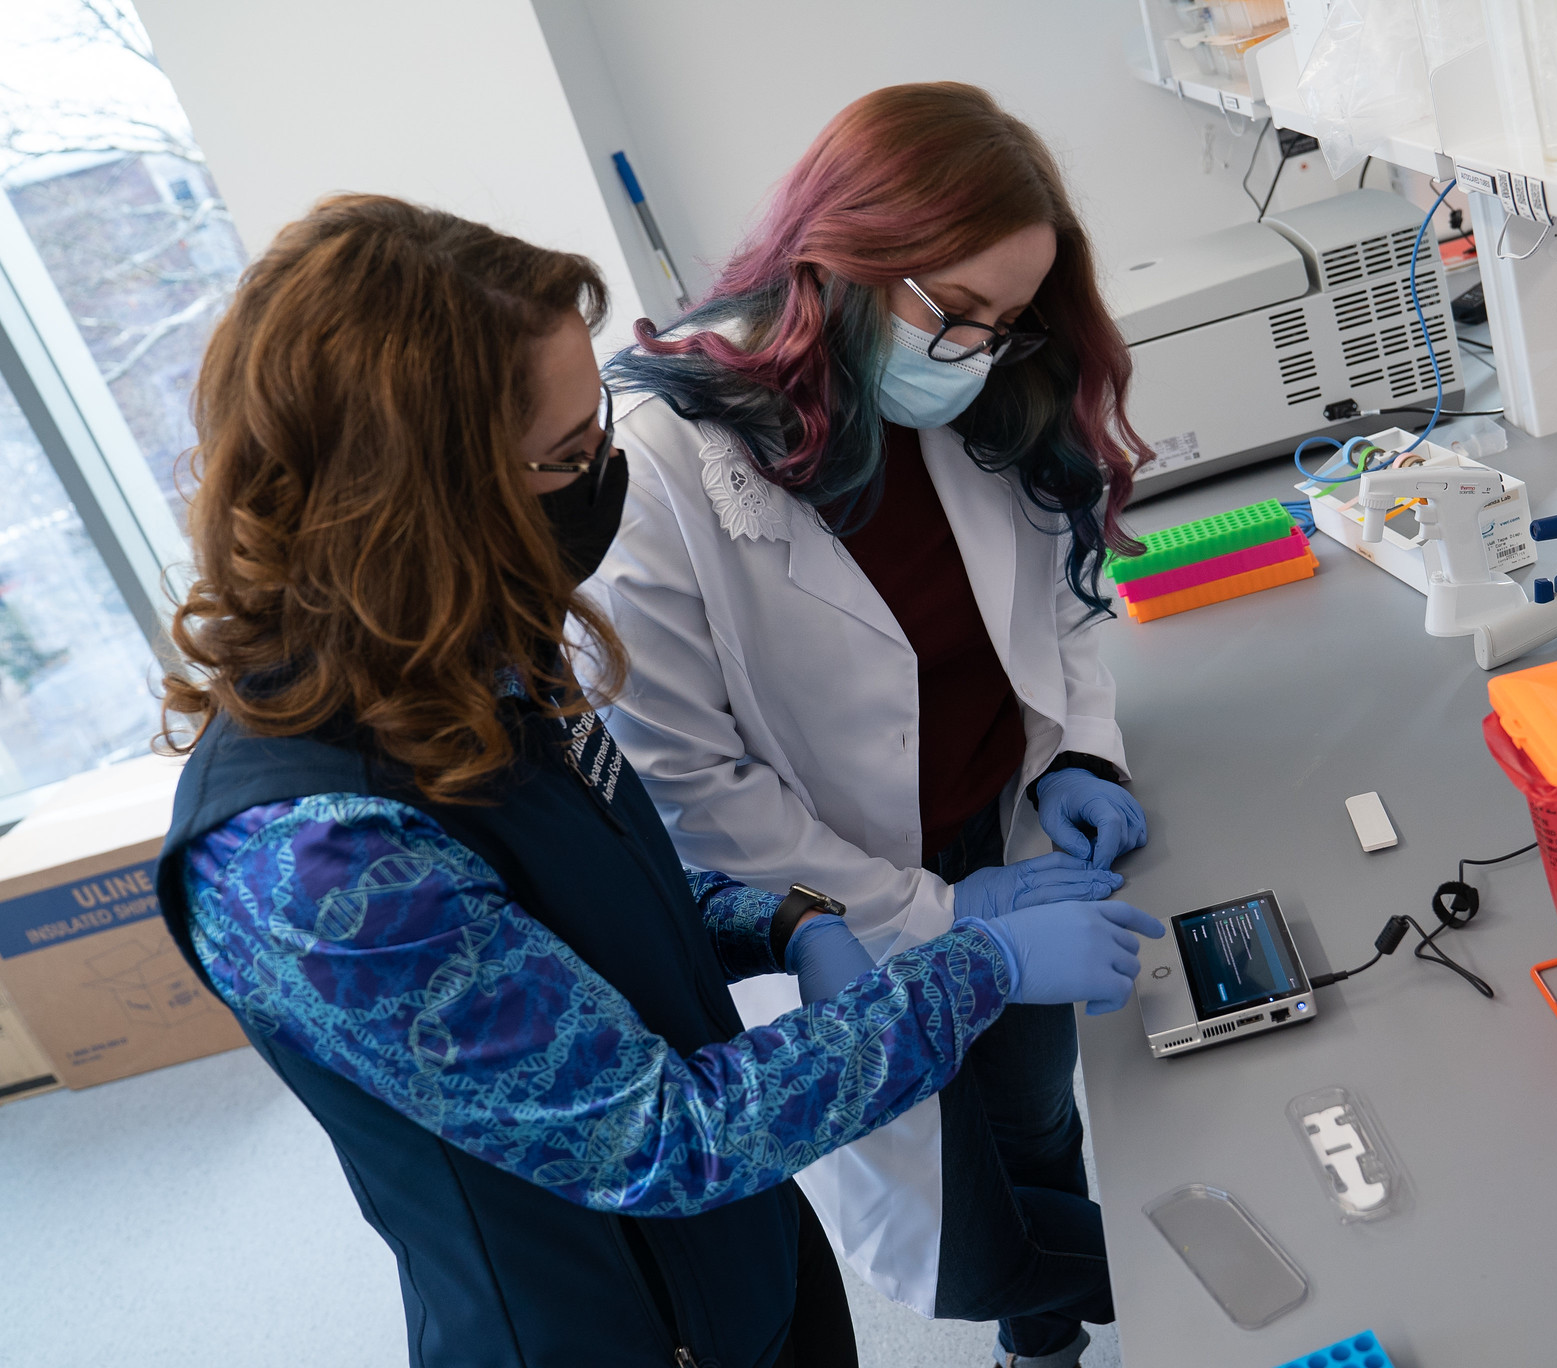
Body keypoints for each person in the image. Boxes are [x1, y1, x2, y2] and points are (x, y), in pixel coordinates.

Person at [151, 193, 1162, 1368]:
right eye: (570, 455)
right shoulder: (306, 859)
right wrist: (970, 966)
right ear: (413, 489)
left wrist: (780, 919)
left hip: (741, 1266)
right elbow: (661, 1138)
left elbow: (586, 901)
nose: (607, 480)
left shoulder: (473, 663)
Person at [598, 83, 1155, 1368]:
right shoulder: (665, 464)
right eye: (953, 312)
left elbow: (1061, 605)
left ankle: (1051, 1345)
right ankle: (1034, 1323)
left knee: (1033, 1118)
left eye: (1005, 324)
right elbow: (688, 780)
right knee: (946, 1177)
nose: (973, 350)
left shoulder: (985, 397)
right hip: (831, 884)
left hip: (1006, 831)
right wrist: (930, 917)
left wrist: (1078, 748)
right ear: (842, 254)